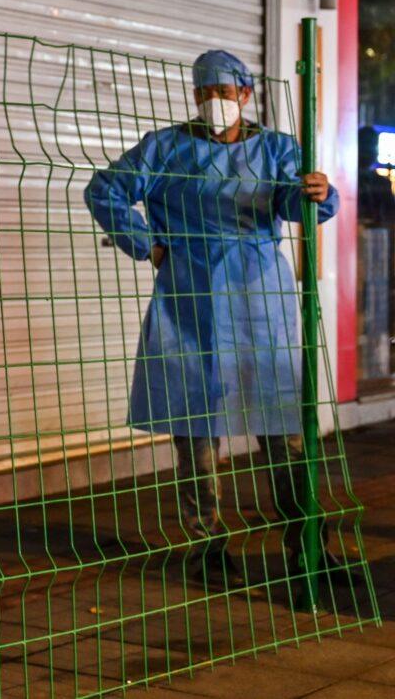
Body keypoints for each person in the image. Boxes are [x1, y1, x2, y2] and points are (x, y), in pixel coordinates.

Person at [84, 49, 343, 588]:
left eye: (224, 94)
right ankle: (206, 548)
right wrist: (148, 245)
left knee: (286, 427)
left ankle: (307, 545)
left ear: (246, 95)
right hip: (190, 295)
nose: (214, 104)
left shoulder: (276, 150)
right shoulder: (166, 147)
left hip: (258, 298)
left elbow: (299, 205)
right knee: (195, 428)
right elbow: (104, 188)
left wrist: (320, 195)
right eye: (205, 94)